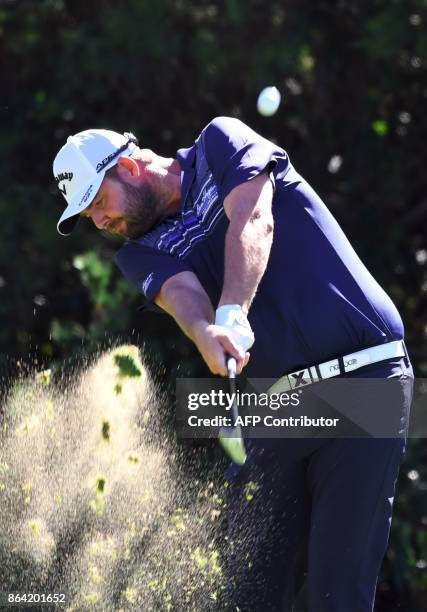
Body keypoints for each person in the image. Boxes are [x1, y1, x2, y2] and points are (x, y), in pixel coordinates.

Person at [53, 117, 413, 611]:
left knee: (338, 591)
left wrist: (233, 313)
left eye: (97, 203)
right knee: (245, 591)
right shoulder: (136, 252)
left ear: (131, 168)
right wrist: (205, 331)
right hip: (280, 407)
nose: (98, 222)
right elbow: (181, 293)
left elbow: (253, 217)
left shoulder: (220, 143)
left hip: (367, 379)